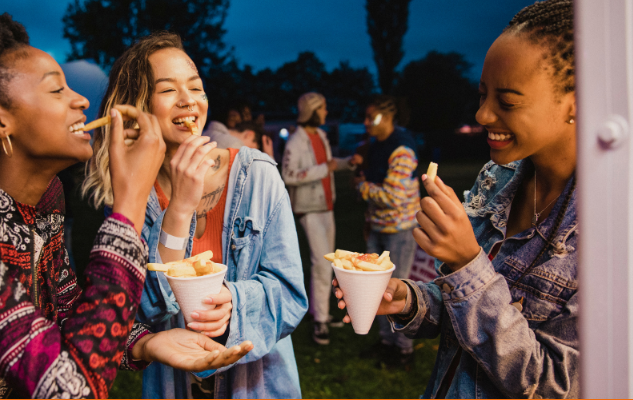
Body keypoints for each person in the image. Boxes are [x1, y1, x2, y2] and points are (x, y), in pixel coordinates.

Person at [0, 15, 252, 399]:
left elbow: (66, 307)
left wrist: (144, 342)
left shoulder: (47, 195)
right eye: (56, 89)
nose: (82, 101)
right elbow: (68, 388)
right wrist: (128, 206)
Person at [335, 0, 578, 397]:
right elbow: (468, 312)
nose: (482, 115)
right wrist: (411, 300)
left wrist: (466, 263)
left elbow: (557, 386)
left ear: (576, 102)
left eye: (508, 101)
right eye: (483, 95)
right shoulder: (497, 178)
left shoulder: (609, 227)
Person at [83, 32, 307, 399]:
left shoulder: (257, 174)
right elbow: (146, 309)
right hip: (173, 386)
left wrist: (235, 303)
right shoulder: (130, 196)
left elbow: (291, 294)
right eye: (168, 90)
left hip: (258, 386)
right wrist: (181, 207)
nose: (189, 101)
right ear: (138, 106)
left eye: (196, 87)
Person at [282, 92, 362, 345]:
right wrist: (322, 170)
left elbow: (329, 164)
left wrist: (348, 163)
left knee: (329, 262)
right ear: (313, 110)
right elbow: (288, 175)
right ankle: (320, 323)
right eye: (324, 108)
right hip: (309, 209)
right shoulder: (296, 140)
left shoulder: (321, 136)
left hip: (327, 206)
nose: (327, 112)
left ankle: (320, 312)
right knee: (321, 263)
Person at [353, 95, 421, 365]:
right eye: (366, 117)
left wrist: (361, 187)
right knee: (374, 286)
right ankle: (386, 341)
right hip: (378, 226)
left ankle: (403, 349)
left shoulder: (402, 149)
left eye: (372, 117)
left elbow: (393, 196)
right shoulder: (375, 145)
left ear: (388, 116)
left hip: (399, 230)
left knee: (398, 289)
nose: (366, 122)